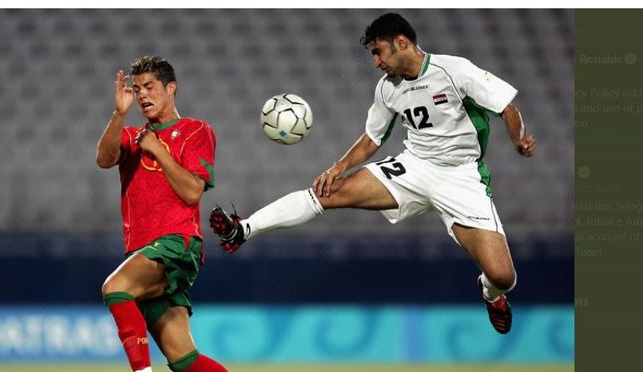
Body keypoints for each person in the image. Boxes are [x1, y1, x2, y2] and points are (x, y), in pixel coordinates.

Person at [210, 13, 535, 335]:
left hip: (461, 177)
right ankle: (243, 229)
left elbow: (506, 106)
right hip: (415, 167)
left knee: (503, 276)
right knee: (328, 191)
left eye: (378, 51)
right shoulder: (387, 89)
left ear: (402, 42)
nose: (376, 62)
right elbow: (372, 138)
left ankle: (490, 294)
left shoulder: (454, 70)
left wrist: (518, 138)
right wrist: (339, 167)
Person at [95, 55, 294, 372]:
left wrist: (158, 150)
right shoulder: (134, 136)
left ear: (172, 88)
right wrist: (119, 116)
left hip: (177, 244)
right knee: (183, 359)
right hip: (146, 252)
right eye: (137, 89)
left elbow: (191, 193)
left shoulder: (195, 131)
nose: (142, 95)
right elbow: (103, 158)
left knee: (115, 288)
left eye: (150, 86)